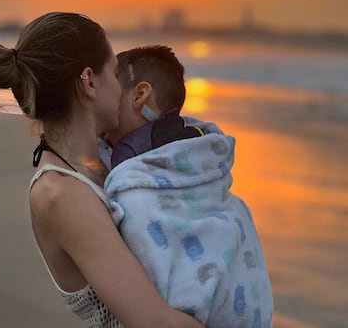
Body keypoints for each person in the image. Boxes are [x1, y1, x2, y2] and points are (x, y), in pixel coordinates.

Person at [0, 12, 206, 328]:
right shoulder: (60, 194)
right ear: (89, 81)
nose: (120, 85)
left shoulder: (113, 161)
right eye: (114, 73)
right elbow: (157, 322)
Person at [102, 45, 274, 328]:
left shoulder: (137, 188)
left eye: (111, 90)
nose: (102, 103)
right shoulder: (195, 157)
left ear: (139, 95)